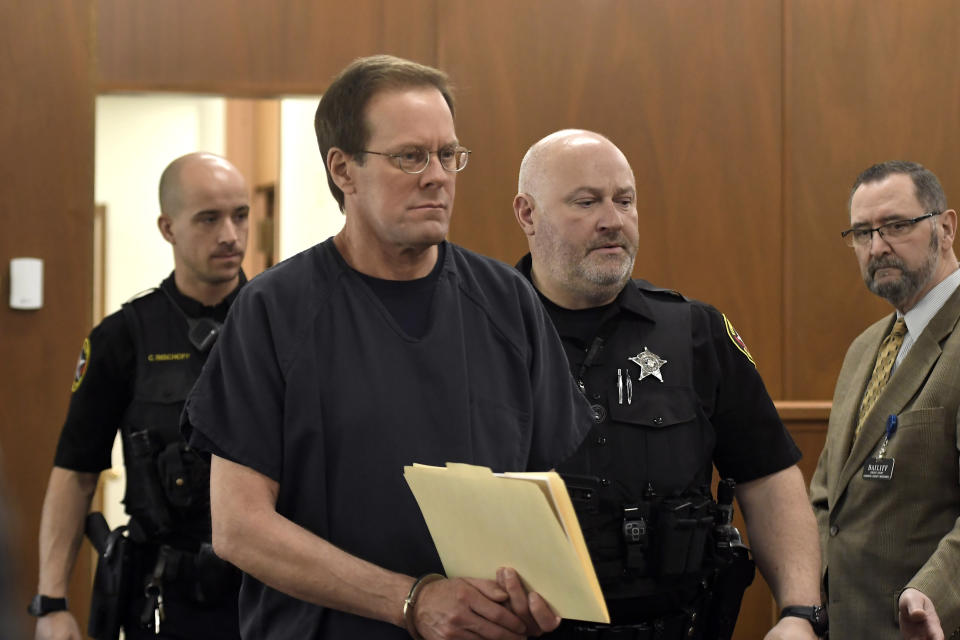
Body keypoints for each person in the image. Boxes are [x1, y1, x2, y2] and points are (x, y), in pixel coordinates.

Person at [180, 55, 592, 640]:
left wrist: (540, 592)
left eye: (449, 155)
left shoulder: (508, 304)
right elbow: (239, 526)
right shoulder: (274, 311)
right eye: (410, 157)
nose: (437, 176)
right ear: (343, 169)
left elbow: (544, 498)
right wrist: (409, 601)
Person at [512, 129, 825, 640]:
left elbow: (768, 476)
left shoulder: (696, 332)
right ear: (527, 214)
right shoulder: (484, 333)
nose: (612, 220)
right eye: (587, 202)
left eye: (625, 200)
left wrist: (800, 613)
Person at [33, 151, 250, 640]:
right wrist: (51, 603)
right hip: (168, 595)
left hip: (270, 594)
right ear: (168, 227)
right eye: (209, 219)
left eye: (240, 215)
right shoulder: (121, 338)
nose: (230, 235)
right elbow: (75, 473)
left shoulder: (279, 325)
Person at [810, 160, 960, 640]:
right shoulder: (864, 348)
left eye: (897, 226)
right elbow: (827, 495)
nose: (877, 247)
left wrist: (931, 597)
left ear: (946, 227)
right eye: (862, 233)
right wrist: (804, 604)